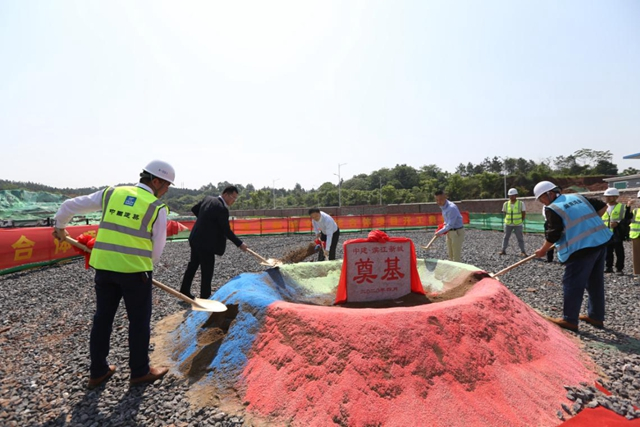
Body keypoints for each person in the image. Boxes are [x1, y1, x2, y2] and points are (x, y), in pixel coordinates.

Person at [52, 160, 175, 389]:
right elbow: (156, 251)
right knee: (139, 323)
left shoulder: (111, 194)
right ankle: (139, 372)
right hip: (136, 273)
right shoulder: (156, 208)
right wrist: (144, 266)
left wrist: (60, 226)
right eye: (166, 184)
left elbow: (70, 205)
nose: (167, 190)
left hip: (105, 270)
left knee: (103, 319)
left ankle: (97, 372)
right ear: (156, 181)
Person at [533, 181, 612, 331]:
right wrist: (589, 225)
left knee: (572, 283)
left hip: (581, 249)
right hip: (600, 241)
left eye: (541, 199)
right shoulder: (577, 197)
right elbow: (603, 206)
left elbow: (553, 234)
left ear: (549, 194)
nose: (542, 202)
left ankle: (570, 319)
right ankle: (596, 317)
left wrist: (543, 250)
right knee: (595, 282)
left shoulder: (553, 208)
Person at [180, 185, 248, 299]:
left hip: (195, 238)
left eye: (235, 198)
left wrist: (205, 221)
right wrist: (240, 243)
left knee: (193, 265)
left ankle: (184, 291)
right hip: (206, 243)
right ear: (225, 194)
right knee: (207, 270)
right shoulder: (222, 208)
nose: (233, 201)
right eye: (233, 197)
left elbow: (195, 209)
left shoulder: (208, 199)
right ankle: (205, 298)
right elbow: (226, 230)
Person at [602, 188, 630, 275]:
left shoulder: (622, 207)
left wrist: (617, 223)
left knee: (619, 251)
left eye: (609, 196)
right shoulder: (603, 207)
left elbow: (627, 219)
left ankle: (619, 268)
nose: (607, 198)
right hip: (606, 232)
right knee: (608, 251)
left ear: (616, 197)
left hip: (617, 232)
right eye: (606, 196)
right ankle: (608, 267)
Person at [434, 190, 465, 262]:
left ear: (445, 197)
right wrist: (442, 226)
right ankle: (452, 271)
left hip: (457, 232)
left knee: (456, 255)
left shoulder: (451, 208)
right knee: (450, 255)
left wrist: (440, 232)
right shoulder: (443, 207)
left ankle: (457, 272)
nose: (439, 202)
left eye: (441, 199)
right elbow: (447, 221)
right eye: (437, 200)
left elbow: (450, 224)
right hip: (449, 232)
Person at [499, 188, 527, 256]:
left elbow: (523, 213)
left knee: (520, 238)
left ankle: (523, 251)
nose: (511, 197)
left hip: (518, 224)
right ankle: (503, 250)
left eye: (513, 195)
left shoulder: (521, 203)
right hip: (508, 223)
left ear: (516, 195)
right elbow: (505, 213)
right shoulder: (505, 204)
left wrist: (520, 220)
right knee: (505, 237)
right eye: (510, 195)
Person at [628, 191, 640, 284]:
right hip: (636, 235)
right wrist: (628, 206)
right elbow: (627, 218)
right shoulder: (636, 211)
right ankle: (638, 275)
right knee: (636, 256)